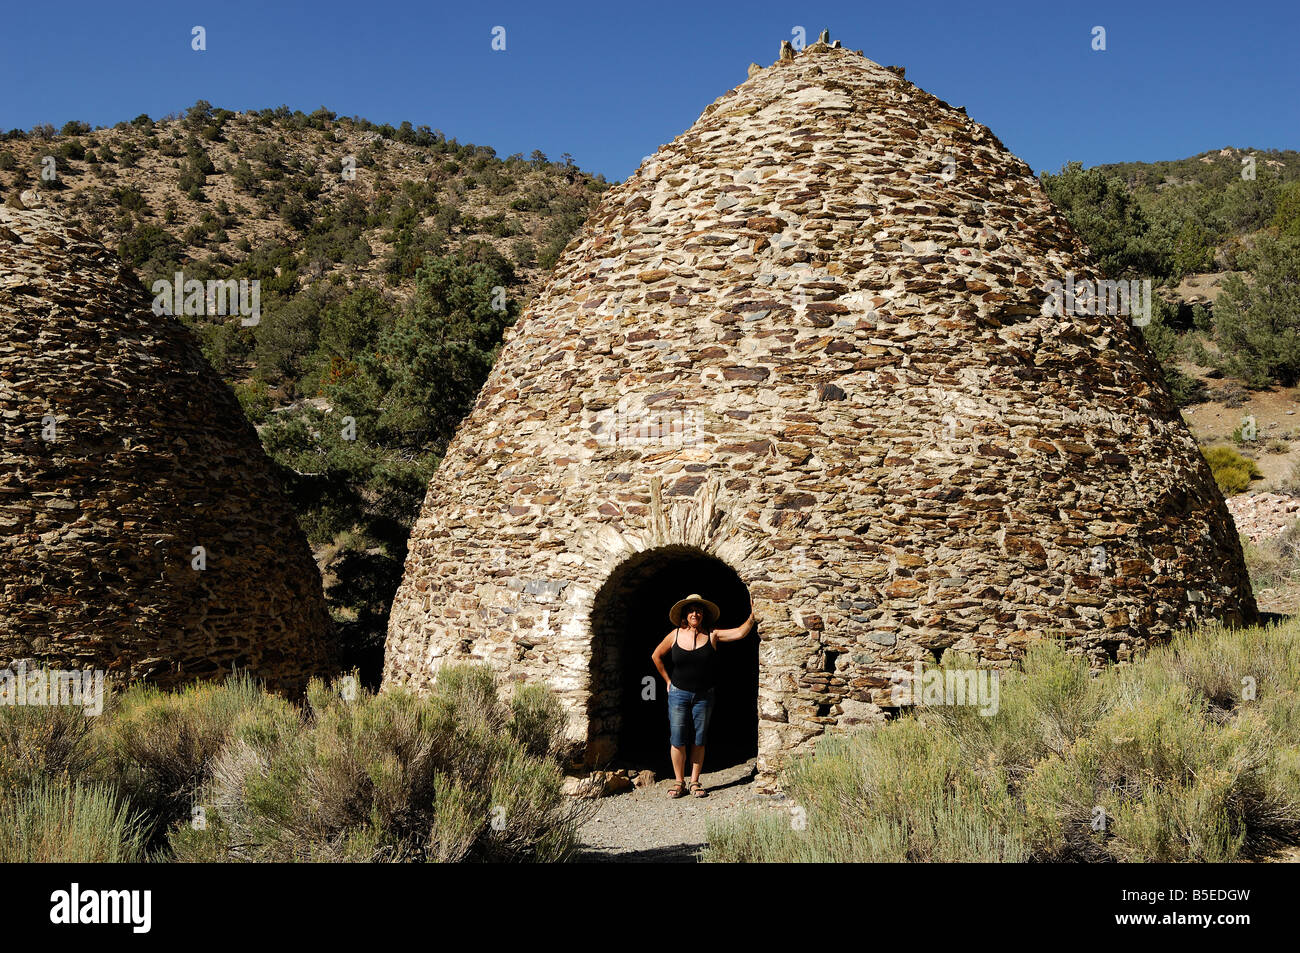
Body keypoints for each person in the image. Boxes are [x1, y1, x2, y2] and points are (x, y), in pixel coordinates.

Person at [650, 593, 757, 798]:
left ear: (703, 614)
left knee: (699, 739)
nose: (694, 613)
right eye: (691, 610)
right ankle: (679, 782)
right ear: (685, 614)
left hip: (704, 696)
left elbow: (740, 633)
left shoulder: (712, 634)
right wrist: (667, 681)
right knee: (678, 739)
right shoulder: (675, 635)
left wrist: (752, 616)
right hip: (678, 694)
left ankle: (695, 782)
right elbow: (656, 656)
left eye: (698, 610)